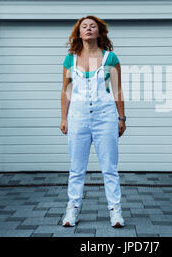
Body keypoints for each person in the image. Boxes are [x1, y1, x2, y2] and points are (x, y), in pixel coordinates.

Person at [59, 15, 127, 228]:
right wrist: (63, 117)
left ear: (99, 32)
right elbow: (66, 90)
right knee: (77, 168)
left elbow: (117, 89)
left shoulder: (110, 58)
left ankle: (115, 211)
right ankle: (73, 209)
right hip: (77, 117)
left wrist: (122, 118)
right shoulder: (71, 59)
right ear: (79, 33)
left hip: (105, 117)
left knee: (109, 167)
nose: (88, 29)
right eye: (84, 26)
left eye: (93, 26)